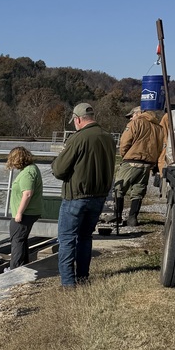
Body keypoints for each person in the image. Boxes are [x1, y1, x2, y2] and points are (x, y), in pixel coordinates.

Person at [51, 102, 116, 287]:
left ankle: (68, 283)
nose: (75, 124)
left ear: (78, 119)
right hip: (99, 196)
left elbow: (59, 170)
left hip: (76, 197)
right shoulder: (109, 138)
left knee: (67, 239)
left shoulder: (78, 138)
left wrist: (55, 164)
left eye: (75, 121)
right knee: (85, 238)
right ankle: (82, 278)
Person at [114, 106, 165, 227]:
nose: (131, 118)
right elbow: (160, 148)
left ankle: (117, 216)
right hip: (147, 164)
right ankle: (133, 218)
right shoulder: (159, 127)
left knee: (119, 188)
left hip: (131, 160)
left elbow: (124, 142)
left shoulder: (135, 124)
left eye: (132, 115)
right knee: (138, 191)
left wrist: (124, 155)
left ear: (139, 113)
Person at [5, 148, 43, 268]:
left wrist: (19, 213)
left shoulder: (28, 172)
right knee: (21, 240)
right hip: (29, 212)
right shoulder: (32, 169)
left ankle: (15, 269)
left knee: (17, 241)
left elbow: (27, 193)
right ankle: (23, 266)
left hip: (25, 213)